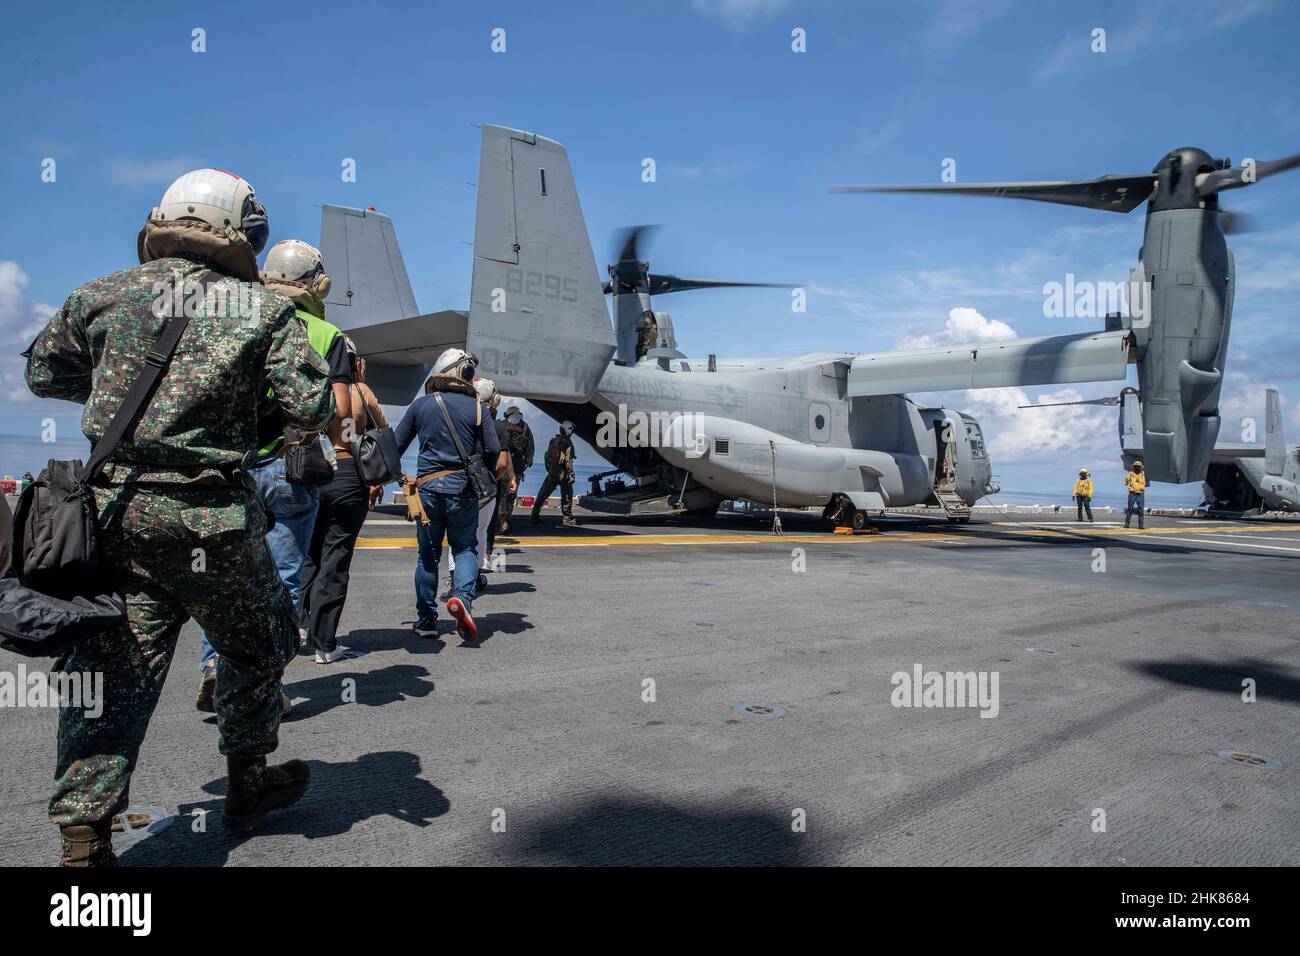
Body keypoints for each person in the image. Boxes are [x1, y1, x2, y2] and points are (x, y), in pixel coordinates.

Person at [24, 168, 334, 865]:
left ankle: (84, 833)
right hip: (211, 517)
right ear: (240, 231)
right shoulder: (264, 311)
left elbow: (44, 374)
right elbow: (313, 410)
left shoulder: (99, 295)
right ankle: (248, 781)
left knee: (110, 674)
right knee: (257, 645)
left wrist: (126, 400)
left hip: (115, 512)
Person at [195, 239, 352, 708]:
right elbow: (338, 413)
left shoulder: (233, 319)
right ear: (317, 284)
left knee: (224, 577)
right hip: (290, 466)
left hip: (230, 467)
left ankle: (212, 663)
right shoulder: (326, 334)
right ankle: (260, 688)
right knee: (282, 578)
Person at [389, 348, 504, 642]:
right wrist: (482, 473)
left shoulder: (420, 406)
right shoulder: (477, 408)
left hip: (426, 491)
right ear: (463, 375)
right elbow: (492, 449)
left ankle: (427, 621)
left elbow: (395, 446)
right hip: (463, 491)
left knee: (427, 556)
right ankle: (463, 599)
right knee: (465, 548)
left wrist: (394, 477)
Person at [299, 346, 388, 662]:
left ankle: (298, 626)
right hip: (351, 474)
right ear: (356, 365)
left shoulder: (320, 388)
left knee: (310, 553)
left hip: (316, 472)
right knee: (336, 557)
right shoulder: (360, 390)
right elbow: (383, 430)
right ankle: (324, 644)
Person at [471, 378, 516, 591]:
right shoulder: (499, 428)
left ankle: (457, 579)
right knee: (482, 529)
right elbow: (503, 463)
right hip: (487, 486)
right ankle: (478, 570)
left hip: (460, 483)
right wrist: (492, 481)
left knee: (461, 532)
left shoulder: (463, 420)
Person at [531, 421, 578, 527]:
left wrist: (550, 470)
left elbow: (547, 457)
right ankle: (567, 518)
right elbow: (568, 461)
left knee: (543, 494)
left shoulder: (553, 441)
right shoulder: (567, 443)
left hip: (552, 471)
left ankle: (534, 516)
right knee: (567, 494)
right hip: (562, 473)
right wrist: (571, 474)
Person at [500, 405, 534, 534]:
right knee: (507, 494)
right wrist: (529, 459)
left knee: (507, 494)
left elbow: (530, 445)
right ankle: (504, 519)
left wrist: (528, 458)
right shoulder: (504, 426)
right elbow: (531, 447)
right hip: (510, 466)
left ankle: (504, 519)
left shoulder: (522, 428)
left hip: (511, 465)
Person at [1124, 460, 1147, 529]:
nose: (1137, 468)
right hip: (1132, 493)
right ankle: (1127, 524)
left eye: (1138, 467)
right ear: (1133, 467)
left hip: (1140, 493)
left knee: (1141, 509)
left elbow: (1145, 482)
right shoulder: (1130, 473)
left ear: (1141, 467)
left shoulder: (1143, 474)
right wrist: (1127, 480)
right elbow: (1126, 482)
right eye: (1136, 466)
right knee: (1130, 509)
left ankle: (1141, 525)